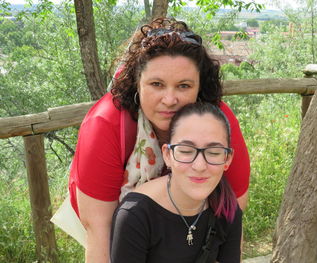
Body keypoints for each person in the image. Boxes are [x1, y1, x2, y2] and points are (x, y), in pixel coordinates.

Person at [68, 17, 249, 262]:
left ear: (199, 88)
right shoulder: (106, 124)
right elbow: (99, 234)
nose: (170, 99)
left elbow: (232, 212)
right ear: (137, 84)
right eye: (157, 84)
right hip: (119, 221)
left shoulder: (217, 124)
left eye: (184, 86)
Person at [110, 102, 242, 263]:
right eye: (186, 151)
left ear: (227, 159)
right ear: (167, 155)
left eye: (214, 152)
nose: (199, 166)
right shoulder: (135, 216)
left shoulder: (227, 209)